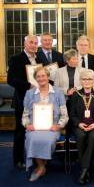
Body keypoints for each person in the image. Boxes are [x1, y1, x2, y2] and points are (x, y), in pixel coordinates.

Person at [22, 67, 68, 181]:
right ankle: (41, 167)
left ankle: (40, 167)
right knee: (31, 139)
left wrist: (58, 126)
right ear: (35, 79)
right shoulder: (29, 93)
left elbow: (64, 115)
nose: (41, 78)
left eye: (43, 76)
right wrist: (27, 124)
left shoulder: (58, 92)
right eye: (38, 76)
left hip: (52, 127)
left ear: (48, 77)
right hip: (35, 127)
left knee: (47, 140)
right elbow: (25, 114)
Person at [7, 34, 42, 168]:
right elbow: (11, 80)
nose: (34, 45)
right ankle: (18, 160)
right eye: (31, 42)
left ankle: (36, 158)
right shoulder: (16, 59)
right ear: (25, 44)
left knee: (36, 130)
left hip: (38, 101)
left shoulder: (39, 59)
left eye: (35, 43)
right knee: (21, 131)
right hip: (22, 100)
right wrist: (29, 86)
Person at [70, 70, 94, 185]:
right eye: (84, 79)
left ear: (93, 80)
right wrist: (79, 124)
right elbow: (72, 114)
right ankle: (87, 169)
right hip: (80, 125)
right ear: (80, 81)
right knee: (80, 137)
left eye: (89, 79)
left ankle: (84, 170)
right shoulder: (76, 94)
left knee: (92, 137)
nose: (87, 81)